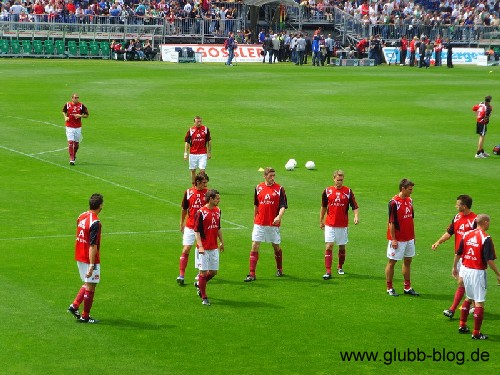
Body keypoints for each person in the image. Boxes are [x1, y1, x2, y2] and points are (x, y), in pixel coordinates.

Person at [453, 214, 500, 340]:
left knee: (469, 297)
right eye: (489, 222)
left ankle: (462, 325)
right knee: (479, 303)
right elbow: (489, 260)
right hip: (477, 272)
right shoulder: (486, 238)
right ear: (485, 222)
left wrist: (454, 268)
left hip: (466, 270)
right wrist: (498, 274)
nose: (489, 224)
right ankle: (476, 333)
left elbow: (458, 253)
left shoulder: (467, 234)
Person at [431, 195, 477, 318]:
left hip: (470, 258)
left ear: (464, 206)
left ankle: (452, 309)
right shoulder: (457, 217)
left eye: (458, 204)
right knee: (465, 283)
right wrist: (438, 242)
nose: (456, 206)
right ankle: (473, 305)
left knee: (462, 282)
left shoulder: (474, 221)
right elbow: (449, 232)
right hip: (459, 256)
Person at [244, 167, 288, 282]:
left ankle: (279, 268)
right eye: (270, 176)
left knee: (276, 246)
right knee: (255, 245)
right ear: (265, 176)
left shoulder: (279, 189)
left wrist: (279, 217)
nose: (272, 178)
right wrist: (255, 219)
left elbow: (283, 206)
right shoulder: (258, 188)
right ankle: (252, 273)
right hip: (260, 223)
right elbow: (256, 205)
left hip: (272, 223)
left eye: (274, 176)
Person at [67, 193, 104, 323]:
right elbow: (92, 245)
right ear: (100, 206)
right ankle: (85, 316)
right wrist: (92, 265)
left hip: (79, 254)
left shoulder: (81, 216)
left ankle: (75, 305)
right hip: (89, 258)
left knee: (88, 282)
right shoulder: (95, 222)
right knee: (91, 285)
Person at [320, 170, 359, 279]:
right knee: (329, 246)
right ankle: (328, 271)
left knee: (342, 246)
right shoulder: (327, 191)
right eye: (338, 180)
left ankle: (340, 266)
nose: (339, 182)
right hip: (330, 224)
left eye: (341, 180)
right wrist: (321, 220)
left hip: (342, 225)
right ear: (334, 179)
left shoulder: (348, 191)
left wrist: (356, 217)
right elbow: (323, 207)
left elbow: (354, 206)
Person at [385, 179, 419, 297]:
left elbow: (411, 219)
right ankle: (389, 287)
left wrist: (413, 236)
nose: (411, 191)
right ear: (403, 189)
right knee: (392, 262)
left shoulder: (410, 201)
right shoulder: (394, 203)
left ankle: (407, 287)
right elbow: (391, 222)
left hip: (409, 237)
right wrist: (393, 239)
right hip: (398, 239)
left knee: (408, 261)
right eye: (410, 189)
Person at [177, 172, 209, 286]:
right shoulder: (189, 192)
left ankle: (200, 273)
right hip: (190, 226)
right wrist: (182, 223)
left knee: (201, 251)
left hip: (203, 228)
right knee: (186, 249)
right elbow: (184, 209)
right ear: (198, 182)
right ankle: (181, 275)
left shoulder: (208, 193)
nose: (205, 185)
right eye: (204, 183)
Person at [194, 189, 224, 306]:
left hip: (214, 247)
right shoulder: (201, 212)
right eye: (217, 198)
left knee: (213, 272)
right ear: (210, 199)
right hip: (203, 248)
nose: (219, 200)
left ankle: (199, 284)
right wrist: (200, 246)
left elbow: (218, 228)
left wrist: (221, 242)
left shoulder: (218, 211)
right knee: (202, 272)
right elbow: (196, 231)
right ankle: (204, 297)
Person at [62, 93, 89, 166]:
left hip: (78, 127)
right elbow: (63, 111)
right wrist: (65, 117)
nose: (77, 99)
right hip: (69, 127)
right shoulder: (67, 105)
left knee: (76, 144)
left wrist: (80, 115)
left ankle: (74, 155)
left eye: (77, 98)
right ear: (72, 98)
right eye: (75, 98)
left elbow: (87, 115)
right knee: (70, 142)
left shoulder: (81, 105)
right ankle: (71, 159)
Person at [184, 116, 211, 184]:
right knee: (193, 170)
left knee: (202, 170)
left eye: (200, 121)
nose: (199, 123)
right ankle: (194, 185)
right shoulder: (191, 130)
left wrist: (209, 152)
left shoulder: (205, 129)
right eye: (197, 122)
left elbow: (209, 141)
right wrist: (185, 153)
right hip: (193, 153)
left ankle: (202, 185)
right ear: (194, 122)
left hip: (202, 153)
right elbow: (187, 142)